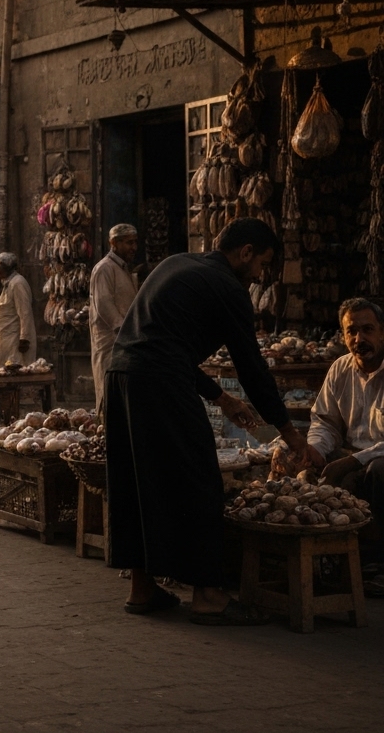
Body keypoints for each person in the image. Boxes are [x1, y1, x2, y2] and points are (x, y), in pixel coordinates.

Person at [105, 217, 312, 624]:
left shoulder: (176, 264)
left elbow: (163, 344)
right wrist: (289, 433)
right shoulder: (229, 288)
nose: (259, 276)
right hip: (161, 382)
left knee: (137, 478)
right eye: (261, 265)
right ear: (246, 252)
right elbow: (251, 367)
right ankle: (208, 595)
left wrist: (221, 397)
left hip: (121, 376)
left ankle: (142, 588)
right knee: (200, 478)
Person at [305, 298, 384, 572]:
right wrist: (315, 449)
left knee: (378, 470)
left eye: (367, 329)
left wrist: (352, 462)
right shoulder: (341, 367)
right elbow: (325, 421)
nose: (359, 338)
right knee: (308, 467)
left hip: (377, 461)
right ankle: (330, 556)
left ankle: (373, 559)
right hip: (353, 455)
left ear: (382, 332)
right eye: (351, 331)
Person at [89, 224, 140, 410]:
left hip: (125, 341)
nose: (134, 247)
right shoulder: (104, 268)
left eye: (135, 242)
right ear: (114, 243)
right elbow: (103, 302)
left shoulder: (124, 269)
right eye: (129, 243)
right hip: (111, 342)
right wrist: (120, 327)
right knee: (108, 392)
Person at [0, 252, 36, 366]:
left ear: (8, 267)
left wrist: (24, 338)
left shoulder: (18, 283)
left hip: (15, 343)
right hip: (7, 342)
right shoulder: (9, 284)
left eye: (0, 266)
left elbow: (25, 312)